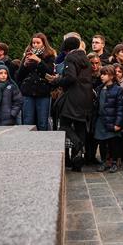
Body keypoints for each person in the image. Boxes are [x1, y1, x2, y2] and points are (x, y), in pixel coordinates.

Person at [50, 36, 93, 171]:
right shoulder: (84, 58)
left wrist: (57, 81)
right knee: (80, 126)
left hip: (73, 96)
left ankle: (78, 144)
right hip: (86, 96)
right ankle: (77, 164)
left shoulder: (70, 58)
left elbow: (71, 77)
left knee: (65, 124)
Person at [17, 33, 56, 131]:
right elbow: (19, 76)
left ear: (43, 43)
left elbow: (50, 72)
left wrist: (39, 61)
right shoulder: (27, 54)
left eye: (38, 42)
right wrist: (24, 65)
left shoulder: (50, 56)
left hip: (43, 93)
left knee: (42, 122)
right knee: (27, 122)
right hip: (28, 93)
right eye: (33, 42)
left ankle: (43, 144)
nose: (35, 45)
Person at [94, 65, 123, 173]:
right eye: (101, 74)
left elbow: (120, 109)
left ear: (111, 76)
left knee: (113, 143)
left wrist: (118, 123)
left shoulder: (118, 90)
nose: (102, 76)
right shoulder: (99, 89)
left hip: (112, 120)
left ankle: (114, 162)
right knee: (102, 143)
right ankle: (104, 162)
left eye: (104, 74)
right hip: (101, 120)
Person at [85, 52, 105, 166]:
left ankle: (91, 156)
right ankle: (88, 155)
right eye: (92, 63)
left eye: (97, 63)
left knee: (95, 133)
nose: (94, 66)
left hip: (97, 108)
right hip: (86, 107)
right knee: (87, 133)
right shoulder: (85, 75)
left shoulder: (101, 75)